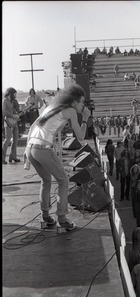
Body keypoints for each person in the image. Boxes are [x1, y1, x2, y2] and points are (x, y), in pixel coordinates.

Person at [24, 84, 91, 229]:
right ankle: (62, 218)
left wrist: (25, 152)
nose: (83, 105)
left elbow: (33, 126)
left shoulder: (51, 107)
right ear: (74, 101)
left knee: (46, 180)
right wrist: (85, 118)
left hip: (31, 148)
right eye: (82, 102)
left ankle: (46, 216)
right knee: (63, 181)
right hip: (43, 149)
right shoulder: (71, 111)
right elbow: (80, 137)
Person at [2, 87, 21, 164]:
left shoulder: (12, 101)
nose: (15, 95)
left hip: (14, 122)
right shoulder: (4, 101)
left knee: (15, 140)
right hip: (8, 121)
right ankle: (3, 158)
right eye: (14, 94)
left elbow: (14, 111)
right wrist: (12, 115)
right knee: (7, 139)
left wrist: (18, 114)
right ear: (10, 93)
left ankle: (13, 156)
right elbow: (3, 111)